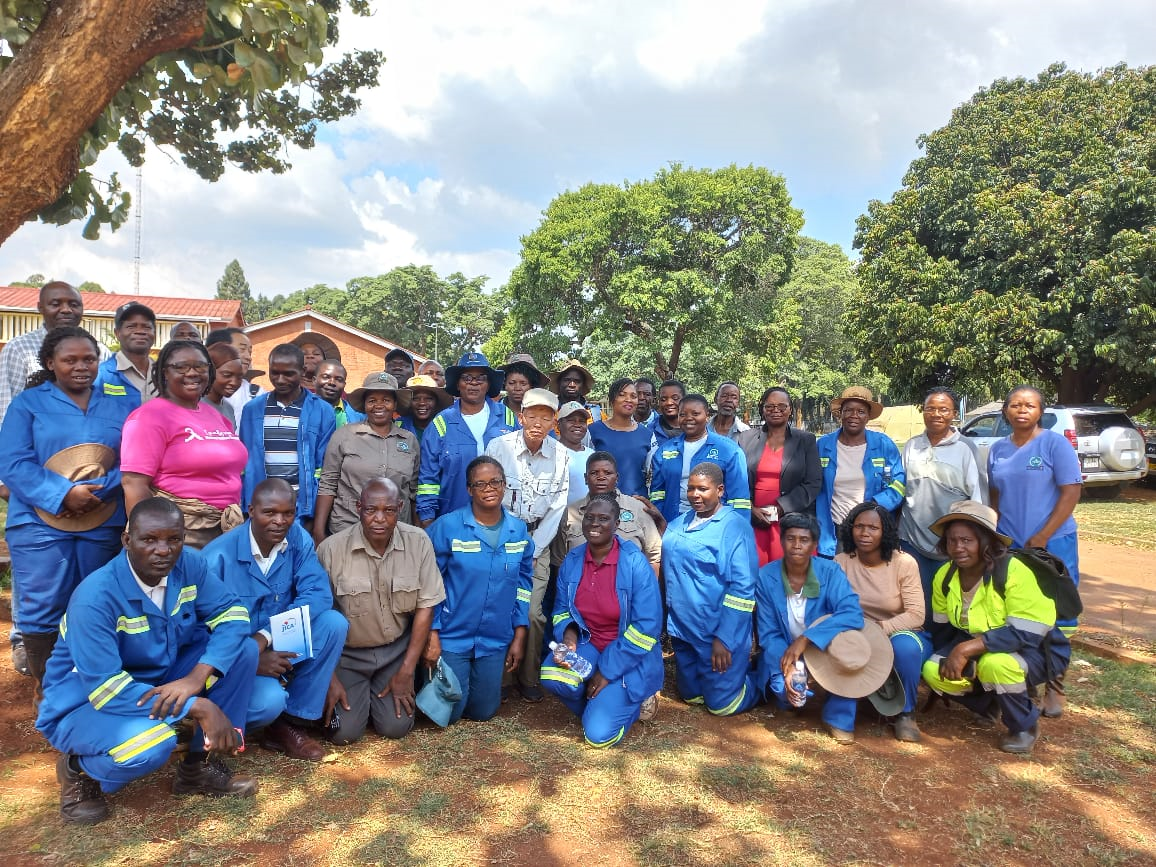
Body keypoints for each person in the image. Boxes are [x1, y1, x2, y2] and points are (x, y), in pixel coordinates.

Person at [37, 498, 257, 824]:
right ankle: (78, 770)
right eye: (149, 539)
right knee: (152, 744)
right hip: (86, 701)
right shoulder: (95, 597)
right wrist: (196, 706)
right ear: (127, 541)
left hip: (158, 678)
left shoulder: (190, 565)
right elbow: (106, 689)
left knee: (243, 650)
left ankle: (200, 767)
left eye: (173, 539)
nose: (163, 550)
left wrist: (197, 677)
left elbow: (234, 615)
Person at [0, 326, 136, 703]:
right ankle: (49, 688)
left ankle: (93, 683)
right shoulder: (28, 404)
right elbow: (12, 462)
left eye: (89, 359)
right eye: (69, 360)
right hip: (39, 524)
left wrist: (99, 491)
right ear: (50, 363)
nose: (81, 366)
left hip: (102, 518)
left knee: (95, 599)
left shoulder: (121, 402)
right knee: (43, 603)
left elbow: (134, 458)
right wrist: (62, 494)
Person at [201, 479, 348, 762]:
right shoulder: (217, 557)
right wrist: (251, 659)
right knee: (269, 701)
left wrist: (266, 637)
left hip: (276, 639)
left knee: (332, 623)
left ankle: (289, 724)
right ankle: (232, 720)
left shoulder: (298, 539)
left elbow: (317, 593)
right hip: (235, 657)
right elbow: (203, 632)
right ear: (251, 510)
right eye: (269, 512)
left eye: (288, 513)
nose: (279, 522)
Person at [922, 500, 1071, 754]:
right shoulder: (944, 576)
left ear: (986, 541)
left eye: (967, 540)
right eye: (952, 541)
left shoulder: (1015, 571)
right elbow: (943, 628)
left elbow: (1026, 632)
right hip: (979, 647)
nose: (958, 548)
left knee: (996, 665)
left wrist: (965, 650)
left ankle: (1024, 726)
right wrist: (948, 656)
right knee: (934, 669)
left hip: (1034, 649)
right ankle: (989, 703)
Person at [318, 478, 445, 743]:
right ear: (358, 508)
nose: (379, 519)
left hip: (395, 652)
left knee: (395, 727)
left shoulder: (418, 541)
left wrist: (407, 670)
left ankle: (380, 699)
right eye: (370, 510)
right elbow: (318, 619)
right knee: (343, 733)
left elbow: (426, 606)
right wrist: (328, 679)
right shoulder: (331, 550)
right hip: (348, 656)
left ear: (400, 508)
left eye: (388, 510)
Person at [987, 385, 1082, 717]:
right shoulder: (997, 449)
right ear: (1006, 411)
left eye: (1029, 405)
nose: (1021, 410)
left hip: (1051, 544)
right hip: (1011, 545)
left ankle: (1055, 686)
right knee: (1017, 613)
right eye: (1015, 405)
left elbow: (1071, 492)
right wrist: (995, 535)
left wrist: (1043, 534)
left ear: (1041, 411)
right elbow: (995, 497)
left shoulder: (1055, 444)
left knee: (1056, 615)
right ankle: (1026, 680)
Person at [542, 494, 664, 746]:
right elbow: (562, 610)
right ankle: (597, 704)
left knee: (598, 736)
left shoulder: (634, 564)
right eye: (589, 517)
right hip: (588, 645)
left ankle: (625, 703)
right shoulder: (573, 560)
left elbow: (646, 628)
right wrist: (569, 638)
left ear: (617, 523)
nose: (594, 523)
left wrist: (607, 672)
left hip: (626, 654)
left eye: (603, 519)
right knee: (554, 675)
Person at [423, 456, 534, 723]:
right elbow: (429, 585)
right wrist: (432, 634)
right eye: (480, 484)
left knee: (484, 712)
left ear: (505, 485)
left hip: (494, 637)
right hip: (453, 634)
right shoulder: (447, 527)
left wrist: (518, 635)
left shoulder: (518, 531)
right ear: (469, 489)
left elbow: (523, 586)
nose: (489, 488)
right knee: (449, 715)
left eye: (495, 481)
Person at [484, 388, 570, 702]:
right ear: (520, 416)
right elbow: (486, 493)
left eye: (545, 416)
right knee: (499, 606)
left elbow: (558, 507)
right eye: (531, 414)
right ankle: (501, 678)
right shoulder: (499, 446)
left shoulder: (561, 455)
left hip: (539, 543)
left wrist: (532, 548)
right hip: (500, 539)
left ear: (554, 421)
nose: (537, 421)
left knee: (533, 613)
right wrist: (509, 541)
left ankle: (528, 677)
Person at [121, 340, 248, 549]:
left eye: (200, 366)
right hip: (179, 532)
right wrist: (153, 539)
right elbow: (134, 484)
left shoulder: (215, 415)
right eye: (181, 367)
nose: (192, 373)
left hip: (226, 529)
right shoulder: (149, 417)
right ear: (164, 372)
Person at [755, 512, 867, 743]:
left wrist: (807, 639)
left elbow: (852, 613)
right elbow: (769, 633)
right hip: (787, 650)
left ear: (815, 545)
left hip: (827, 648)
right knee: (786, 693)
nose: (796, 545)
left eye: (804, 540)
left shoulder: (830, 571)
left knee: (846, 662)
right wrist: (791, 669)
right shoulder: (766, 576)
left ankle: (838, 717)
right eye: (790, 538)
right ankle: (795, 691)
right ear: (782, 541)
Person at [661, 463, 760, 716]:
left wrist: (724, 639)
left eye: (703, 489)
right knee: (691, 696)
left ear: (720, 490)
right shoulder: (678, 523)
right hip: (683, 630)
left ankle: (761, 679)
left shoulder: (735, 528)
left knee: (721, 706)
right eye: (691, 488)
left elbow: (743, 588)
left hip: (716, 633)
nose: (695, 494)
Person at [835, 503, 931, 742]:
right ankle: (845, 706)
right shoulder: (841, 562)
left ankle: (906, 714)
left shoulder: (904, 563)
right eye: (859, 526)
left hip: (901, 631)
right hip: (858, 631)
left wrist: (881, 629)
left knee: (904, 648)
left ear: (884, 531)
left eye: (872, 528)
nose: (864, 533)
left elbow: (916, 614)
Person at [898, 387, 985, 626]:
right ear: (923, 412)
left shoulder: (966, 449)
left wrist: (969, 539)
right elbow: (902, 490)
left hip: (950, 543)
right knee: (917, 600)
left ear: (953, 414)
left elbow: (977, 498)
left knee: (948, 599)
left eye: (943, 409)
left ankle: (948, 648)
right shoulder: (912, 446)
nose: (936, 414)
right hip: (912, 540)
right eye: (930, 408)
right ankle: (920, 649)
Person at [314, 372, 419, 541]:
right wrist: (318, 531)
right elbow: (328, 484)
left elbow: (413, 492)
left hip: (396, 532)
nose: (379, 405)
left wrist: (416, 533)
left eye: (386, 400)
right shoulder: (344, 436)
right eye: (372, 400)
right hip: (348, 528)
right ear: (364, 404)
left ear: (395, 404)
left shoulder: (409, 440)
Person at [239, 343, 337, 525]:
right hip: (261, 506)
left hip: (302, 508)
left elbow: (324, 465)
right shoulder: (252, 409)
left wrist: (315, 517)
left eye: (289, 374)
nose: (281, 379)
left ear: (302, 371)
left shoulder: (322, 410)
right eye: (274, 372)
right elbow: (245, 460)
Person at [416, 352, 518, 526]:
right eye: (467, 378)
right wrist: (429, 522)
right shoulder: (441, 423)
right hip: (453, 522)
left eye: (480, 378)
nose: (473, 383)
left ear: (488, 384)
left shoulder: (507, 418)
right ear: (458, 383)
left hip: (501, 523)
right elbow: (428, 479)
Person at [815, 386, 905, 558]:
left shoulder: (884, 444)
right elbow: (813, 484)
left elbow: (898, 484)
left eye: (861, 411)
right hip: (833, 530)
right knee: (835, 580)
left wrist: (873, 506)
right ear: (840, 413)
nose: (854, 415)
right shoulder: (823, 445)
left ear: (868, 416)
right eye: (848, 410)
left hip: (872, 530)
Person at [737, 387, 822, 566]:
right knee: (755, 575)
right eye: (770, 406)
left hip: (792, 521)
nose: (776, 411)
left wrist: (780, 508)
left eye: (782, 407)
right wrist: (750, 508)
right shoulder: (745, 439)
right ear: (762, 409)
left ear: (790, 409)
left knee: (790, 578)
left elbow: (813, 483)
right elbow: (735, 479)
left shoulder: (805, 440)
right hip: (753, 520)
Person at [554, 451, 663, 576]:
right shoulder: (570, 513)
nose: (601, 477)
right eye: (594, 473)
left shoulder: (638, 508)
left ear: (617, 478)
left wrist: (648, 591)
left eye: (608, 473)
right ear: (585, 478)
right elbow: (560, 562)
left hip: (629, 587)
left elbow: (654, 557)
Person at [649, 394, 749, 523]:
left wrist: (736, 529)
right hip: (673, 523)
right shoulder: (665, 450)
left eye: (695, 414)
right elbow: (657, 492)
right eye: (683, 414)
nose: (688, 418)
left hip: (714, 525)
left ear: (707, 416)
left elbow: (739, 499)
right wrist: (661, 520)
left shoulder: (729, 450)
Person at [588, 378, 654, 498]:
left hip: (636, 504)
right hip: (601, 503)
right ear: (612, 399)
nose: (628, 400)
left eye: (633, 396)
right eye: (622, 395)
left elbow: (652, 473)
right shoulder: (593, 431)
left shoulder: (647, 435)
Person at [94, 302, 157, 403]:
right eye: (131, 326)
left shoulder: (164, 374)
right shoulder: (101, 375)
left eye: (147, 327)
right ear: (117, 333)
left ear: (155, 334)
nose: (140, 331)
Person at [206, 328, 265, 421]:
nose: (248, 357)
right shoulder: (192, 394)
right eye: (242, 349)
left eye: (250, 352)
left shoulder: (256, 393)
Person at [556, 400, 595, 504]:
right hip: (560, 518)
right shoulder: (551, 453)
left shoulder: (592, 455)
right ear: (559, 425)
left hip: (588, 517)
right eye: (571, 420)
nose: (577, 425)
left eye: (582, 421)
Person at [398, 373, 452, 440]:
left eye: (428, 399)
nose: (422, 403)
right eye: (415, 399)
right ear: (408, 402)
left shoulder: (447, 427)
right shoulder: (398, 425)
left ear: (436, 402)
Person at [203, 341, 245, 428]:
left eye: (239, 377)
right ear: (210, 371)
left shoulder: (229, 408)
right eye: (227, 375)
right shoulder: (194, 406)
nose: (234, 382)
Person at [314, 359, 366, 428]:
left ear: (344, 384)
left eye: (339, 379)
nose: (332, 383)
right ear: (314, 380)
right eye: (326, 377)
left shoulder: (359, 417)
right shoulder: (300, 408)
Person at [550, 358, 602, 423]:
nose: (572, 385)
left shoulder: (596, 415)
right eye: (567, 380)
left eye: (577, 381)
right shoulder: (547, 412)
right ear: (559, 383)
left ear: (583, 385)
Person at [648, 379, 685, 448]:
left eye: (675, 398)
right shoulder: (649, 431)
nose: (669, 403)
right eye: (663, 399)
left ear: (684, 400)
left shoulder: (698, 430)